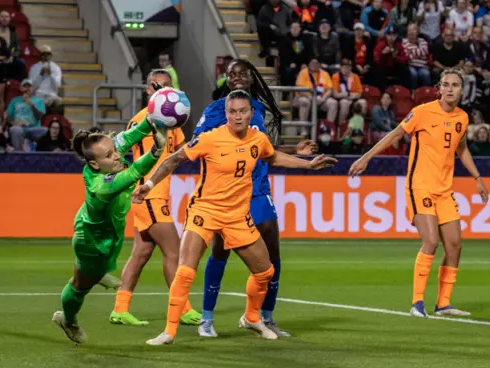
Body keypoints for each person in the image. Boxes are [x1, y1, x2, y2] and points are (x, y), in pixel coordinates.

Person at [133, 90, 336, 345]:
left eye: (242, 111)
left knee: (264, 272)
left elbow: (272, 156)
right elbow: (173, 160)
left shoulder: (257, 138)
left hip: (237, 216)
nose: (237, 117)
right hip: (204, 211)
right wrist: (149, 184)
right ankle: (169, 332)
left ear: (250, 113)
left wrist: (307, 164)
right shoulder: (209, 139)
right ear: (225, 113)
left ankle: (252, 318)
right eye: (232, 112)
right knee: (185, 271)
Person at [349, 69, 489, 318]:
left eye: (455, 85)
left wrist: (478, 178)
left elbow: (462, 148)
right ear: (439, 88)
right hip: (419, 187)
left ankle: (443, 304)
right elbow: (395, 134)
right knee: (431, 241)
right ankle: (417, 303)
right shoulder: (423, 112)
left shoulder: (462, 118)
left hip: (445, 191)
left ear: (461, 89)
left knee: (455, 246)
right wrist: (366, 157)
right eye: (445, 84)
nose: (449, 89)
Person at [193, 59, 316, 338]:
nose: (236, 77)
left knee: (273, 251)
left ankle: (266, 316)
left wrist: (293, 150)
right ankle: (207, 318)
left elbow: (264, 148)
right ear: (226, 80)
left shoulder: (257, 110)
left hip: (258, 188)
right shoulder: (215, 111)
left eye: (242, 73)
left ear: (251, 78)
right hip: (227, 192)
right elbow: (199, 144)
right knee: (220, 250)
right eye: (231, 74)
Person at [52, 117, 168, 344]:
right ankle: (68, 319)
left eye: (115, 150)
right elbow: (133, 172)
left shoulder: (104, 154)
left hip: (97, 229)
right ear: (95, 164)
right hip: (92, 242)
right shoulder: (101, 187)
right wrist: (156, 150)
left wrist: (151, 119)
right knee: (79, 286)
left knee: (93, 272)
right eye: (109, 155)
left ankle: (97, 274)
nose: (117, 156)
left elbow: (130, 137)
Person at [110, 69, 201, 326]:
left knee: (141, 252)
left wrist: (202, 144)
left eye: (167, 88)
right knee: (174, 252)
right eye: (158, 87)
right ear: (148, 90)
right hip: (148, 196)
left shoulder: (173, 122)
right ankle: (182, 308)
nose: (164, 93)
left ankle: (120, 308)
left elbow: (178, 153)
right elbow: (118, 150)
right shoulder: (142, 121)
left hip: (158, 196)